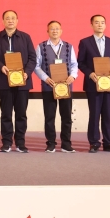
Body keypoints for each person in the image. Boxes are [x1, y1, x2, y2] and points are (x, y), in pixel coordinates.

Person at [0, 10, 37, 153]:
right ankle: (7, 143)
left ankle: (20, 143)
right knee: (6, 114)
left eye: (13, 18)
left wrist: (26, 73)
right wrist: (1, 66)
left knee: (21, 114)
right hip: (4, 81)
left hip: (23, 82)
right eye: (7, 18)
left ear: (17, 20)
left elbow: (32, 58)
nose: (10, 20)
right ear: (3, 21)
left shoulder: (25, 37)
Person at [77, 14, 110, 153]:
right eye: (97, 22)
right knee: (94, 114)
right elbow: (80, 62)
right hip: (93, 83)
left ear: (105, 25)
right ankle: (94, 142)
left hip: (109, 83)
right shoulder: (85, 42)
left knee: (107, 114)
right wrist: (90, 73)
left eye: (102, 22)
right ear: (91, 25)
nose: (100, 25)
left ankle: (108, 142)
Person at [33, 20, 78, 153]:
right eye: (52, 29)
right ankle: (51, 143)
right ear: (47, 31)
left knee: (66, 117)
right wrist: (45, 78)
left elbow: (74, 64)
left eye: (57, 28)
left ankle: (66, 144)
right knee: (49, 117)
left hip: (65, 87)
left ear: (61, 31)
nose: (55, 31)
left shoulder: (69, 46)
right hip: (49, 87)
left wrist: (73, 76)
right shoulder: (41, 46)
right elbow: (36, 65)